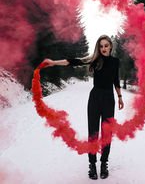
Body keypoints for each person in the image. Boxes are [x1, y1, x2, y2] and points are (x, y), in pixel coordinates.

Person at [42, 34, 124, 180]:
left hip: (109, 99)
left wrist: (119, 97)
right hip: (95, 98)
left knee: (107, 134)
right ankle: (92, 165)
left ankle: (103, 163)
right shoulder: (94, 60)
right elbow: (73, 62)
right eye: (101, 46)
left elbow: (116, 80)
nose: (104, 48)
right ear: (98, 48)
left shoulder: (115, 61)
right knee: (93, 132)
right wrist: (54, 62)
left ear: (111, 46)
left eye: (106, 45)